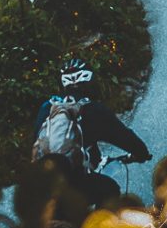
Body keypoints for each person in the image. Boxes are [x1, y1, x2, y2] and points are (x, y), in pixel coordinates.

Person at [32, 58, 149, 204]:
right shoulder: (93, 109)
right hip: (71, 183)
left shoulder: (46, 108)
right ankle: (97, 226)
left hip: (43, 182)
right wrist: (141, 153)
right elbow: (124, 137)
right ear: (89, 81)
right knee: (110, 190)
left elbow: (36, 140)